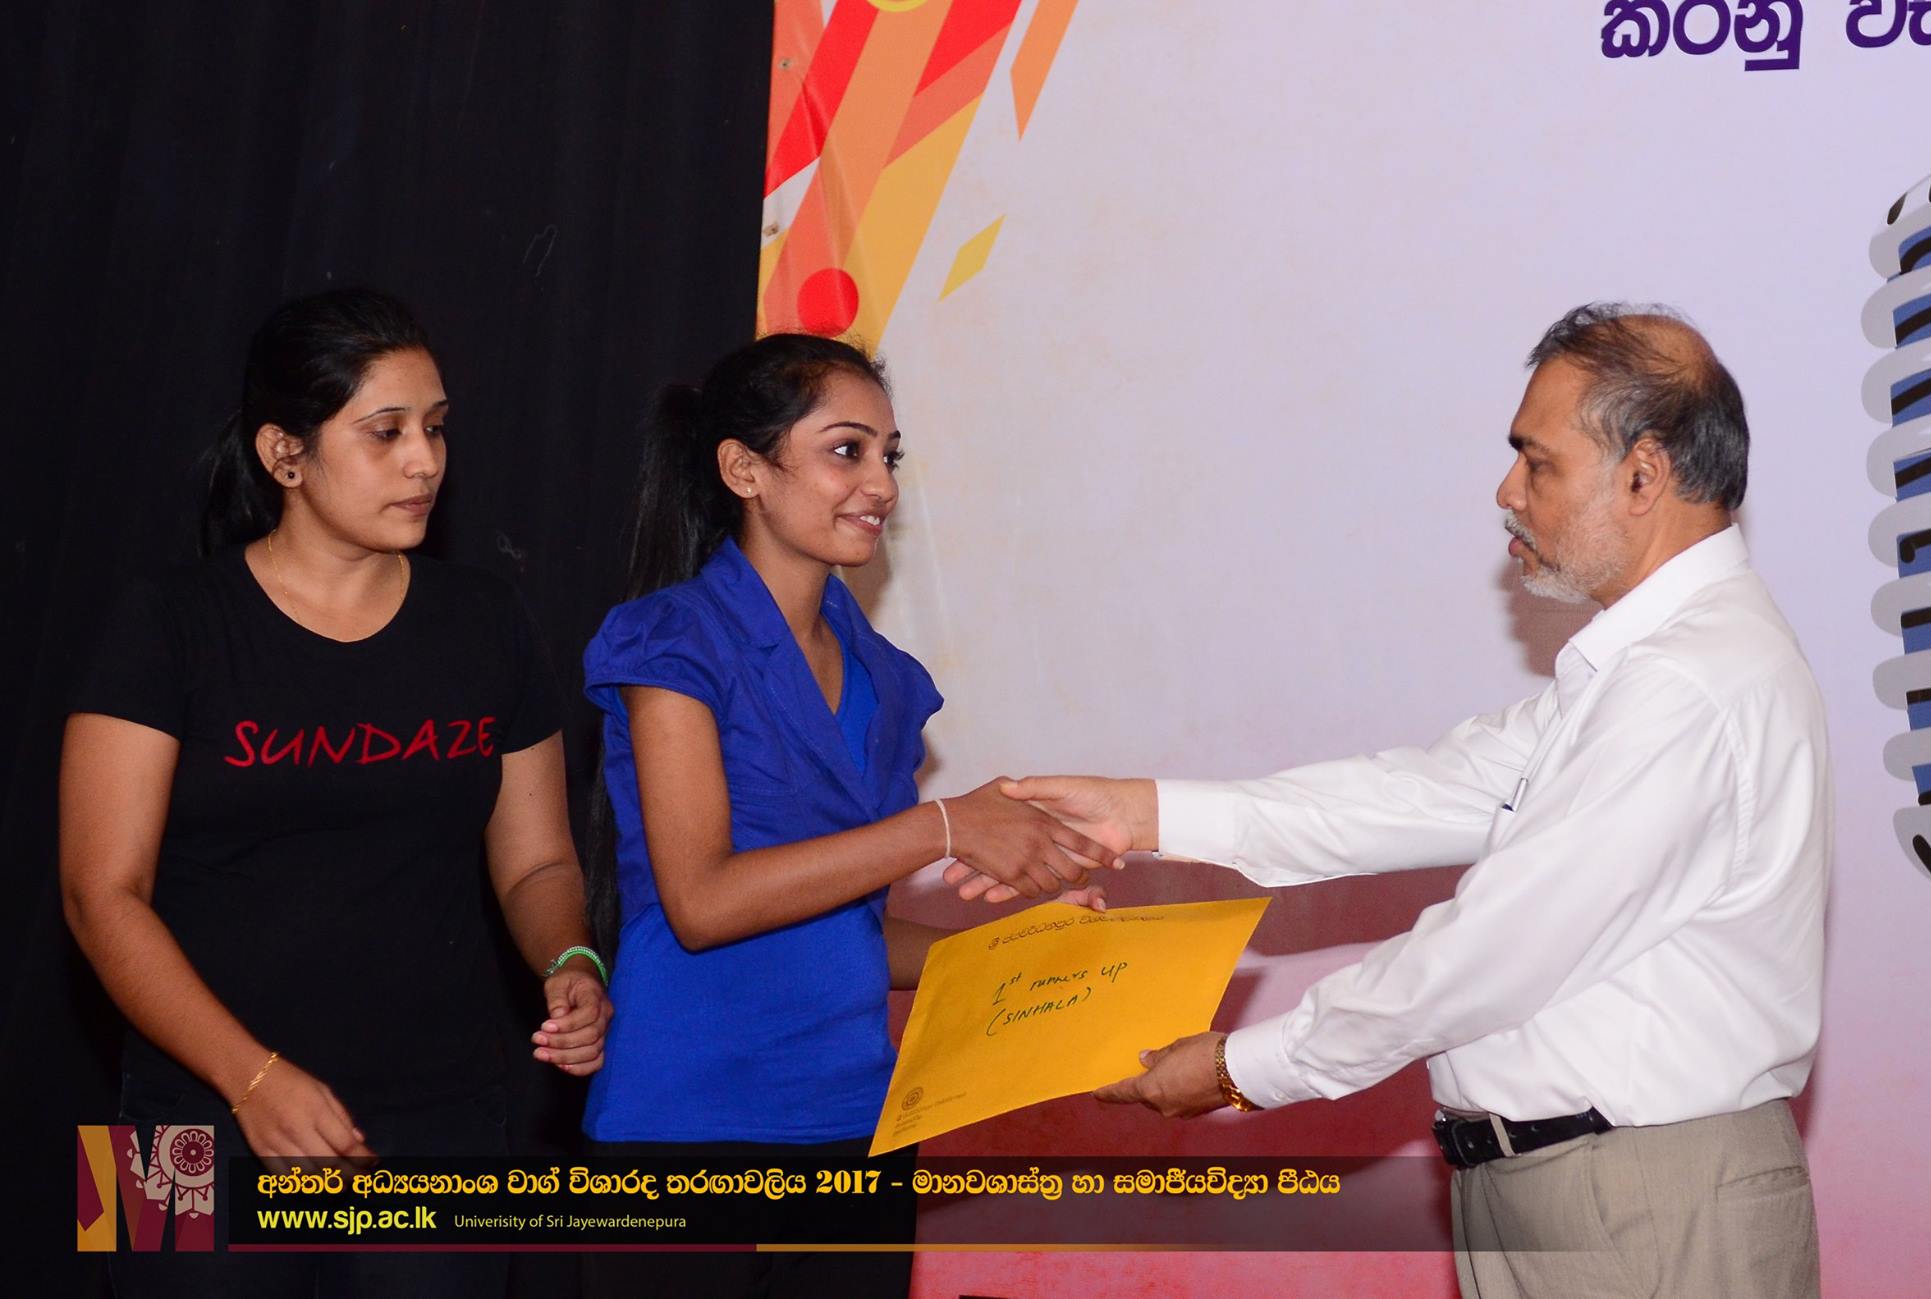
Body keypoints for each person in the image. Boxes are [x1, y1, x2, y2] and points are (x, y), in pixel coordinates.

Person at [954, 305, 1829, 1298]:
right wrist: (1139, 815)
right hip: (1576, 1186)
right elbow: (1418, 792)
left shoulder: (1685, 685)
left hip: (1643, 1199)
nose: (1506, 492)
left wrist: (1246, 1066)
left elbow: (1493, 948)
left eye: (1536, 462)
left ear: (1643, 475)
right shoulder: (1646, 670)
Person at [60, 288, 610, 1298]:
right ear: (285, 453)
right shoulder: (166, 620)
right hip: (181, 1114)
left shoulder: (487, 620)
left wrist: (569, 958)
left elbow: (537, 859)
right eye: (386, 431)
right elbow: (99, 896)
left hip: (441, 1116)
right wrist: (251, 1079)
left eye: (436, 427)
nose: (426, 461)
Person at [578, 333, 1112, 1299]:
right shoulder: (672, 641)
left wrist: (1017, 952)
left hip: (858, 1128)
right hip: (688, 1123)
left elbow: (850, 931)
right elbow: (702, 902)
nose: (882, 485)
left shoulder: (888, 680)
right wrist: (943, 827)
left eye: (889, 455)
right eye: (846, 450)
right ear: (743, 469)